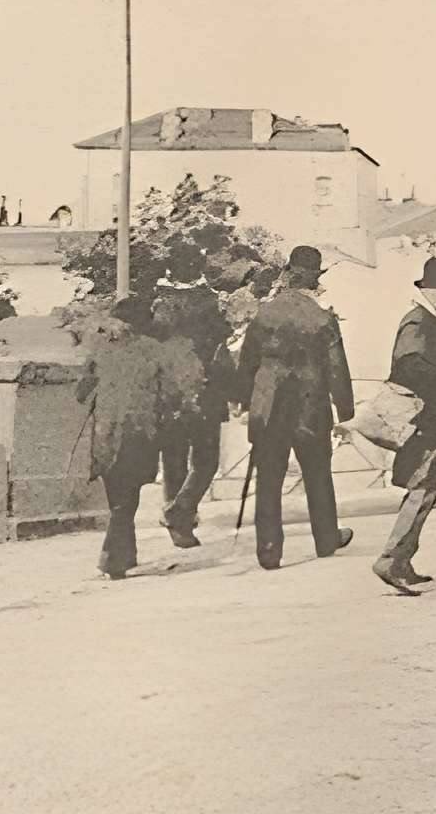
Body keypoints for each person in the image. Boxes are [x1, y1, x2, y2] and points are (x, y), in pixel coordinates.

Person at [236, 243, 356, 570]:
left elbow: (247, 362)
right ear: (314, 280)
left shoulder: (265, 314)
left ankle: (269, 551)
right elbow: (336, 368)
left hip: (270, 406)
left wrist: (242, 400)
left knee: (269, 479)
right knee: (318, 473)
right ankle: (326, 538)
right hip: (310, 405)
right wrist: (346, 410)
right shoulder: (322, 319)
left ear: (288, 274)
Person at [75, 292, 189, 581]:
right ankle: (113, 560)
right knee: (127, 498)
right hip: (140, 431)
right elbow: (172, 394)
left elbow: (80, 392)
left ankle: (125, 555)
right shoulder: (155, 350)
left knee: (117, 494)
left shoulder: (101, 350)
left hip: (105, 432)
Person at [375, 256, 436, 595]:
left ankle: (402, 560)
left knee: (428, 486)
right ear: (426, 289)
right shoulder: (418, 322)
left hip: (432, 417)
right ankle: (391, 559)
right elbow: (409, 366)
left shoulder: (426, 321)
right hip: (424, 419)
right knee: (424, 486)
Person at [154, 282, 239, 549]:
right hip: (205, 398)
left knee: (174, 460)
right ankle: (180, 514)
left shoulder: (161, 304)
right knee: (204, 461)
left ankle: (178, 517)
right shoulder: (210, 303)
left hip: (172, 398)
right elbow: (223, 363)